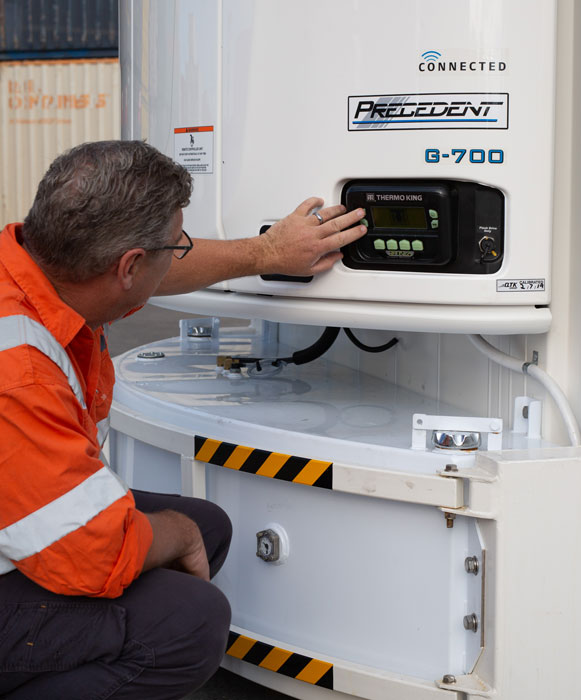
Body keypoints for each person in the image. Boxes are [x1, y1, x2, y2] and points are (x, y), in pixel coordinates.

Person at [0, 140, 367, 699]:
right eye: (176, 245)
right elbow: (94, 549)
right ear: (127, 267)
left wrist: (266, 253)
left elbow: (149, 266)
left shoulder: (37, 270)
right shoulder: (20, 371)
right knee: (191, 618)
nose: (179, 255)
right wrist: (178, 534)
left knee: (207, 526)